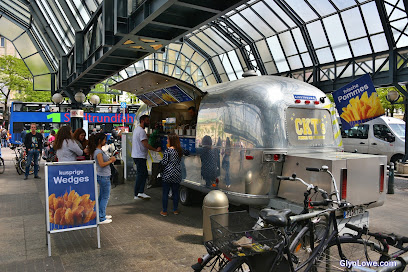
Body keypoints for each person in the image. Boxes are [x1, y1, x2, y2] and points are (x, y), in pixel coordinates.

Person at [89, 132, 116, 224]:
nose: (105, 141)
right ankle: (101, 217)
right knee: (105, 197)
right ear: (100, 141)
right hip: (103, 176)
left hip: (102, 175)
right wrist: (111, 161)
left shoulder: (98, 151)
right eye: (104, 139)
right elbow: (101, 164)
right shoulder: (98, 152)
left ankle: (101, 214)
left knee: (102, 196)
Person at [132, 115, 161, 199]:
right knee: (141, 174)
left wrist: (149, 135)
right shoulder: (141, 131)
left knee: (143, 174)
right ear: (142, 121)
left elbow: (143, 138)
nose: (149, 122)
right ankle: (137, 193)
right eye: (147, 121)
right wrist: (155, 149)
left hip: (137, 155)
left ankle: (140, 192)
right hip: (140, 156)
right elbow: (145, 144)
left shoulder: (137, 129)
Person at [160, 133, 188, 216]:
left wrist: (160, 163)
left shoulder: (168, 150)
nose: (167, 140)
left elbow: (164, 162)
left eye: (168, 139)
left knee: (165, 193)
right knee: (175, 192)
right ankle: (175, 210)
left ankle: (164, 211)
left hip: (168, 174)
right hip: (177, 173)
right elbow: (187, 152)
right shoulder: (180, 150)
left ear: (171, 140)